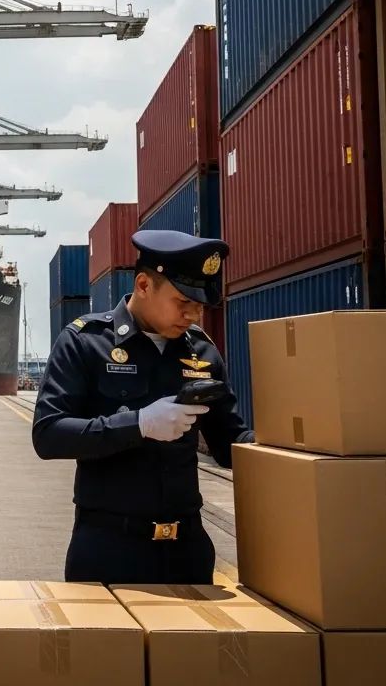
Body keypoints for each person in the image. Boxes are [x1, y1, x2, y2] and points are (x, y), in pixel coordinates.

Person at [31, 229, 254, 585]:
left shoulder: (201, 351)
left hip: (187, 550)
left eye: (199, 306)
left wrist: (285, 451)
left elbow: (230, 442)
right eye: (183, 302)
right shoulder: (85, 342)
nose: (193, 315)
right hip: (109, 548)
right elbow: (49, 435)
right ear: (144, 285)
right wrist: (139, 425)